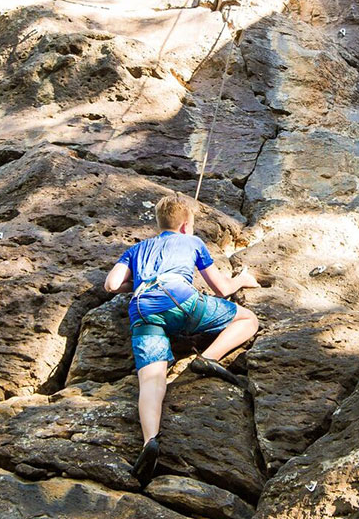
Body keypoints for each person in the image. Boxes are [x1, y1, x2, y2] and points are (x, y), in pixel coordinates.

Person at [103, 193, 261, 485]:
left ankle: (150, 440)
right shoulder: (192, 242)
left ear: (160, 223)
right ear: (187, 226)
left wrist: (137, 282)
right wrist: (242, 278)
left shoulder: (137, 249)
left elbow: (111, 285)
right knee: (248, 319)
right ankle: (209, 358)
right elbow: (222, 289)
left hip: (143, 310)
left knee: (150, 380)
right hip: (180, 301)